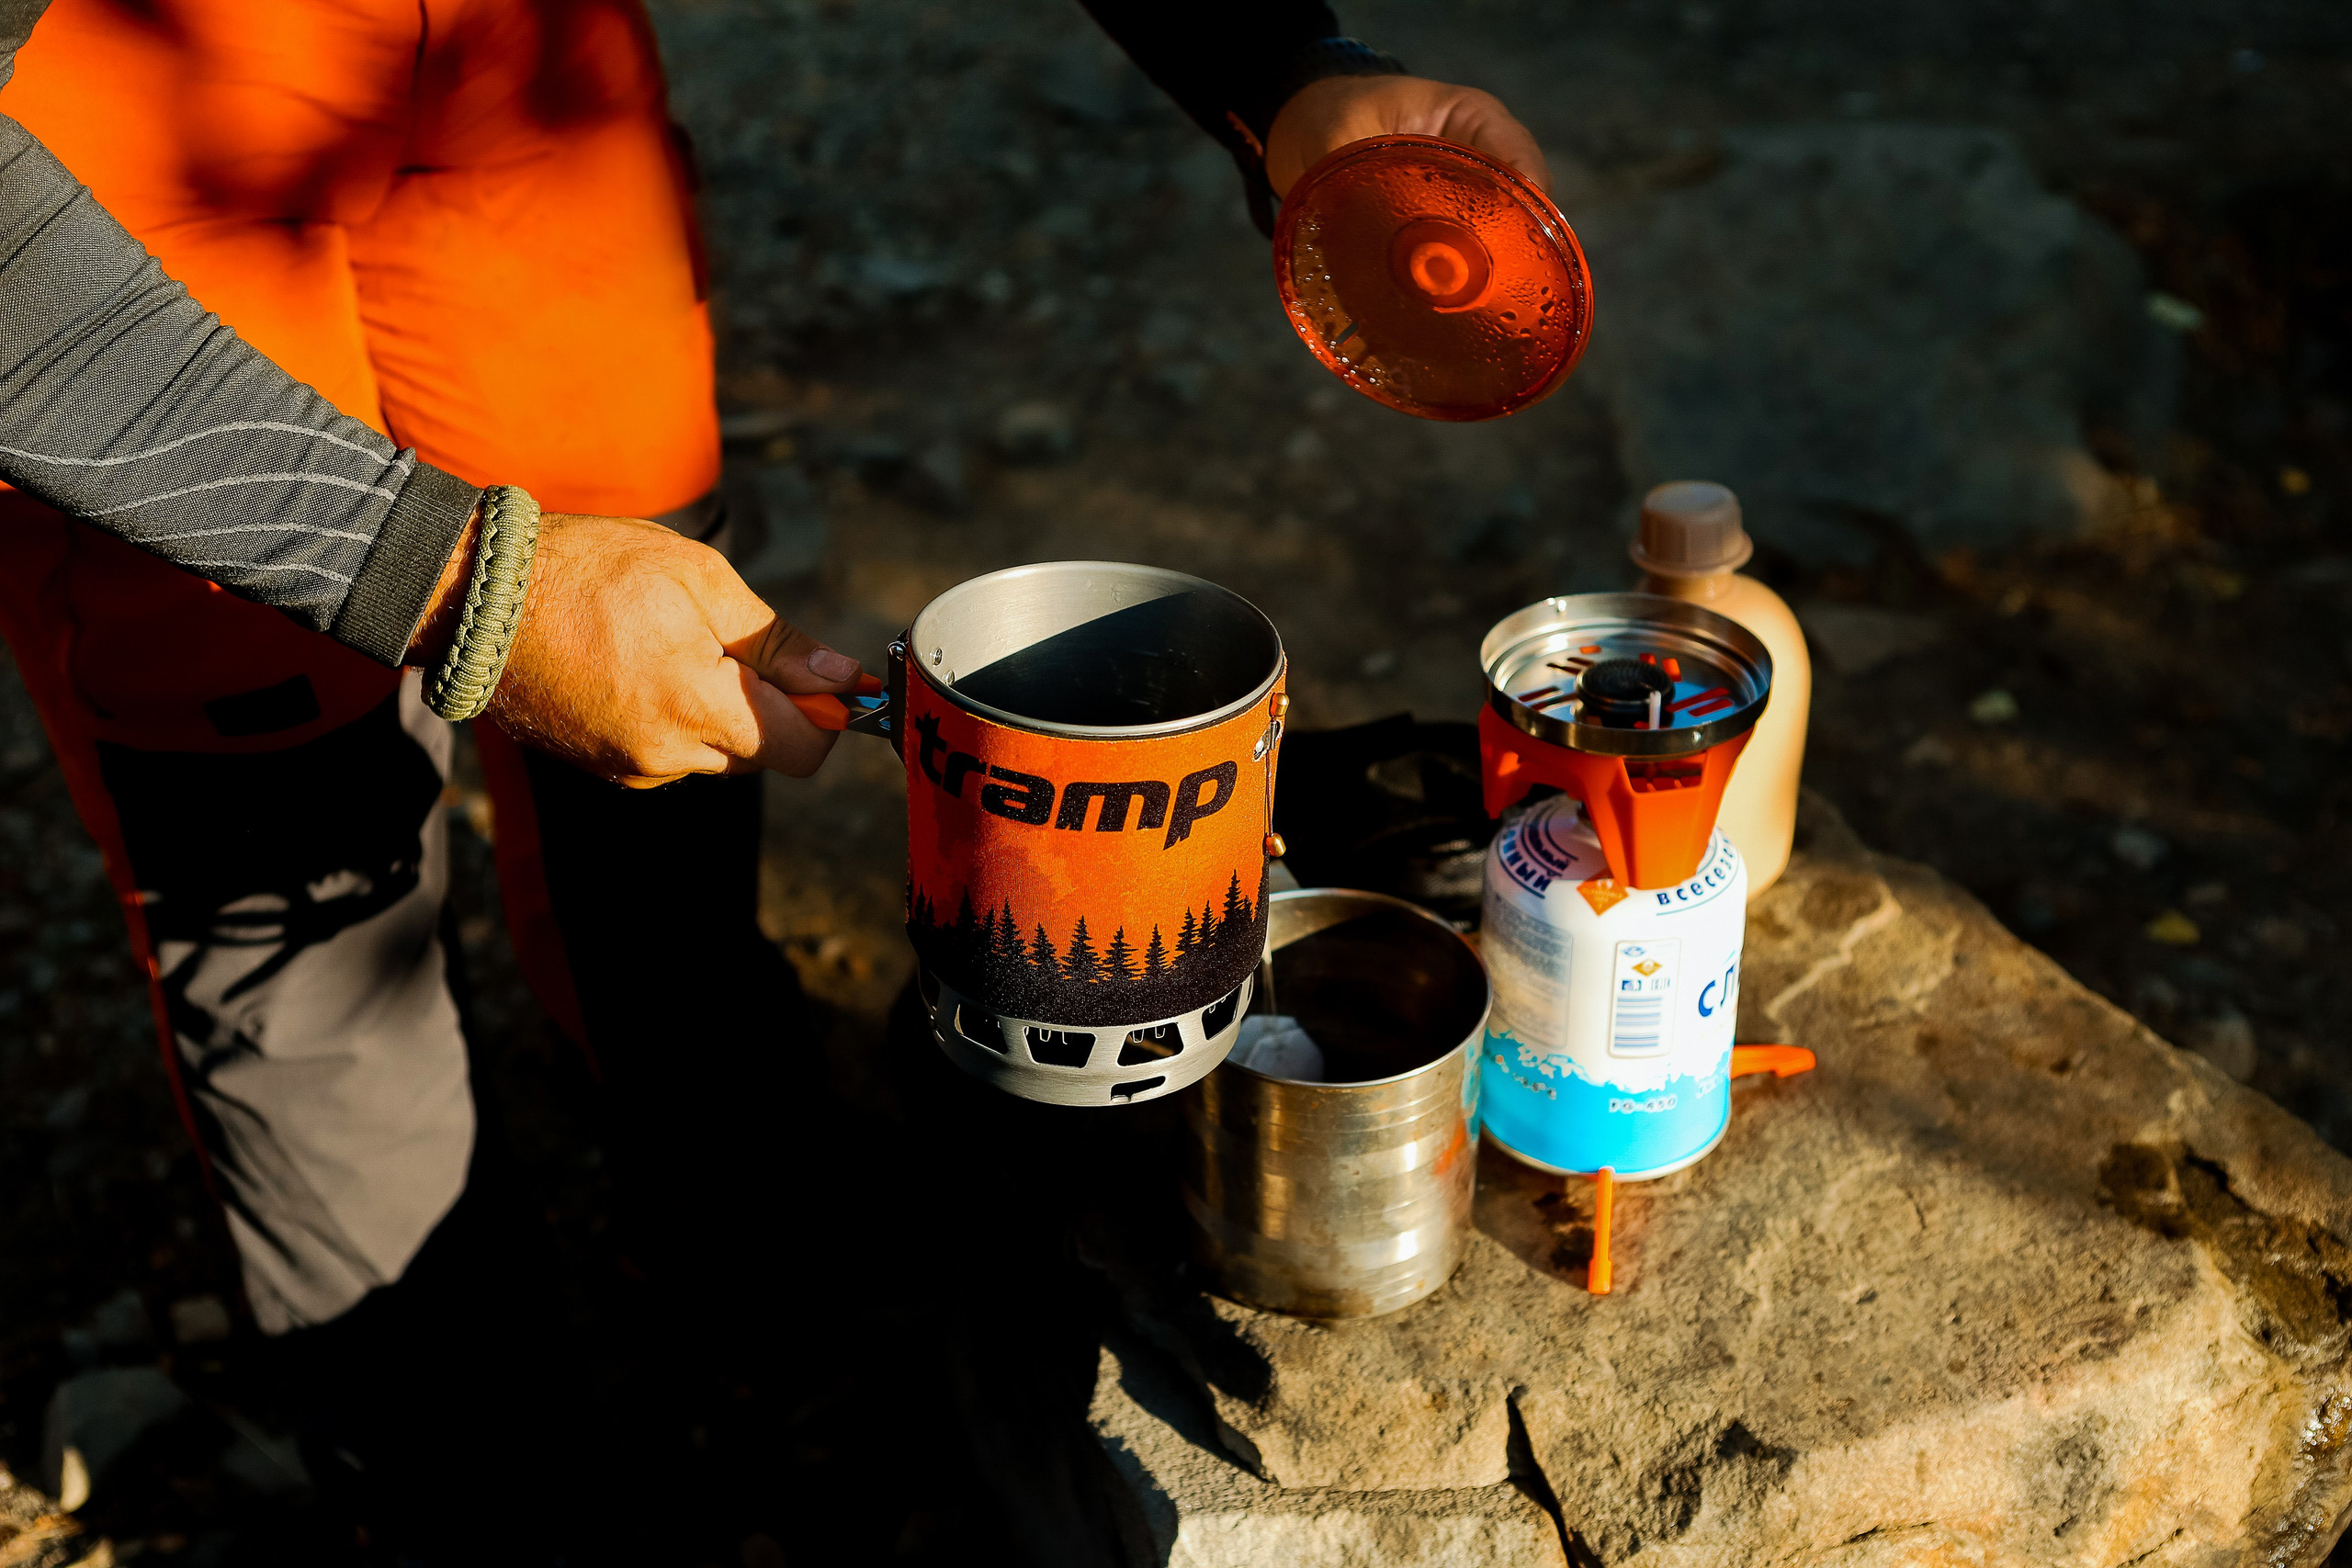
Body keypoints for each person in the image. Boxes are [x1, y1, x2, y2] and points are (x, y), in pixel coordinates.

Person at [0, 0, 1546, 1551]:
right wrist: (450, 579)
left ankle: (737, 1228)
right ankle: (461, 1477)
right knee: (288, 854)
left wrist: (1272, 66)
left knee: (654, 655)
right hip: (99, 110)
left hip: (508, 58)